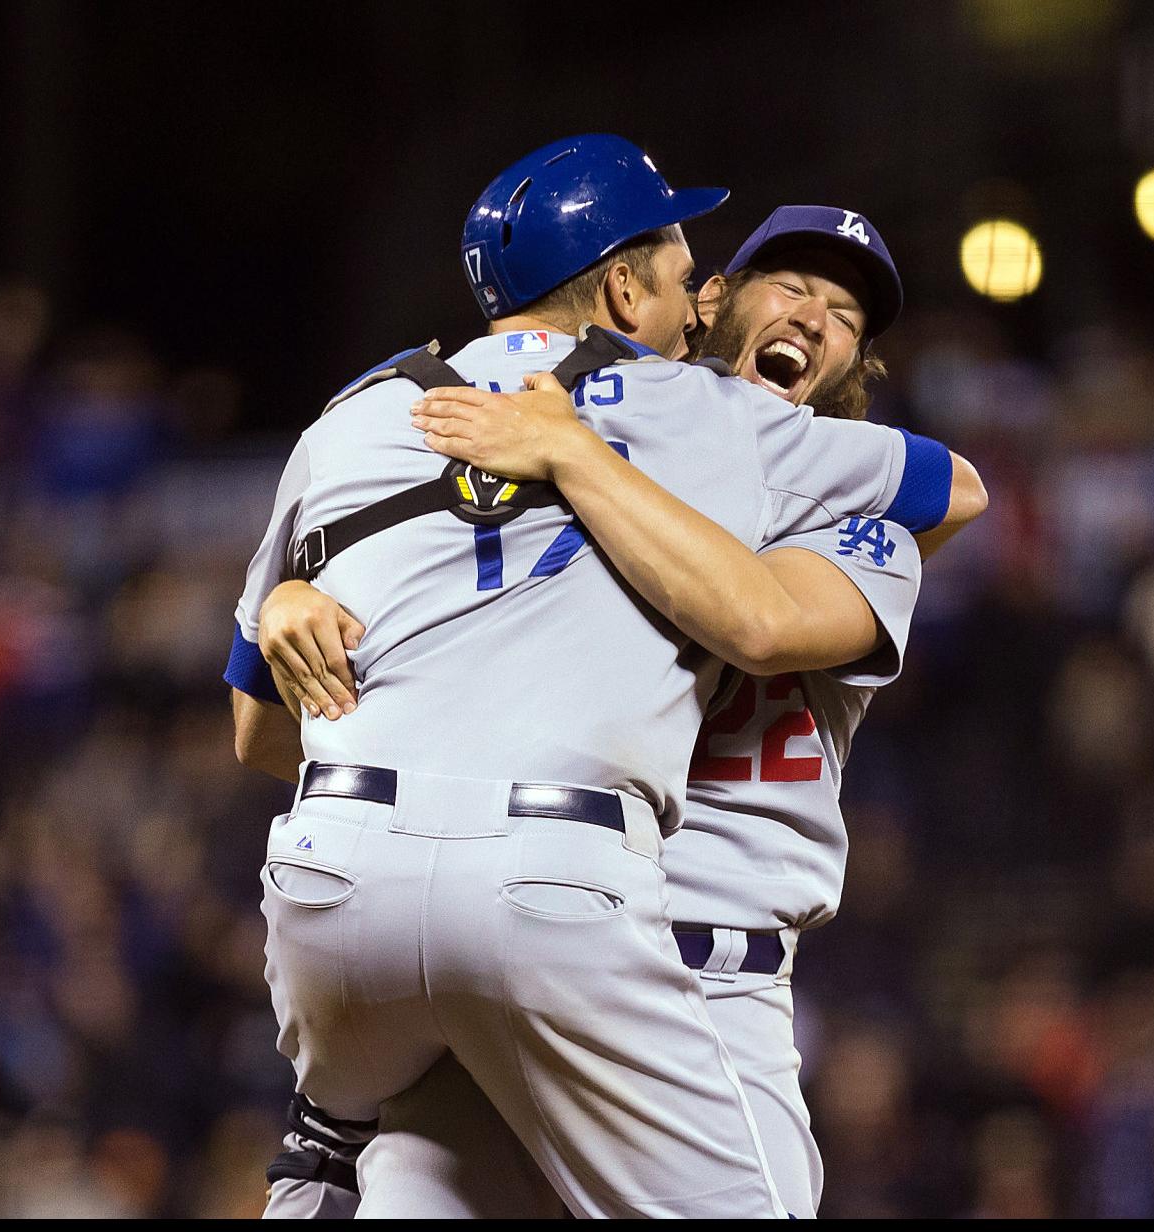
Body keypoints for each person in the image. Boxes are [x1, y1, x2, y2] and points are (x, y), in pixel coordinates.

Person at [225, 136, 982, 1218]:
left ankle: (331, 1135)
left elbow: (764, 620)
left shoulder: (847, 521)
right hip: (548, 914)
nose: (815, 319)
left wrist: (577, 453)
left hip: (700, 970)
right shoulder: (635, 419)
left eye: (846, 318)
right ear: (699, 301)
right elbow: (421, 662)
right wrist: (308, 609)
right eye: (790, 288)